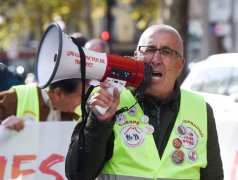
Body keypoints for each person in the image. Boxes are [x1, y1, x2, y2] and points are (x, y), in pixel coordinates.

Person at [65, 24, 223, 180]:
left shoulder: (201, 109)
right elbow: (77, 174)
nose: (155, 59)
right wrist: (98, 121)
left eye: (166, 52)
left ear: (180, 65)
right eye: (149, 50)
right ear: (137, 57)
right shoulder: (106, 98)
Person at [0, 78, 89, 131]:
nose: (83, 101)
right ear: (58, 93)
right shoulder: (16, 97)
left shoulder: (82, 110)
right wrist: (2, 126)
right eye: (80, 96)